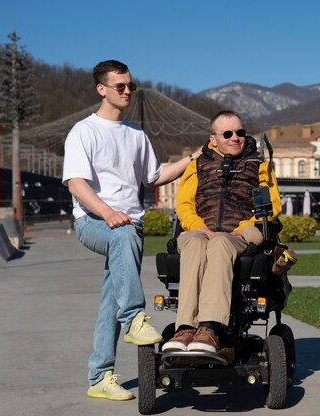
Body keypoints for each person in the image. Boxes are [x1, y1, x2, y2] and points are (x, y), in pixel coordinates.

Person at [62, 60, 201, 401]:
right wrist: (108, 212)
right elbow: (76, 184)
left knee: (112, 296)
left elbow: (153, 177)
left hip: (128, 228)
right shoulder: (84, 131)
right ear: (102, 89)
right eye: (120, 86)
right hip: (94, 222)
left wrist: (192, 159)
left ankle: (100, 377)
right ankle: (135, 318)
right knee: (122, 245)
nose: (127, 91)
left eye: (130, 86)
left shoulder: (137, 135)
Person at [161, 110, 281, 354]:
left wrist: (239, 228)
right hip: (200, 229)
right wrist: (200, 227)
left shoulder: (260, 164)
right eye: (227, 133)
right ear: (213, 139)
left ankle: (210, 328)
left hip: (241, 232)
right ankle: (185, 327)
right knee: (194, 243)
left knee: (219, 244)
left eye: (240, 132)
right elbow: (184, 205)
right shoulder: (197, 165)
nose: (235, 137)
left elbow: (273, 206)